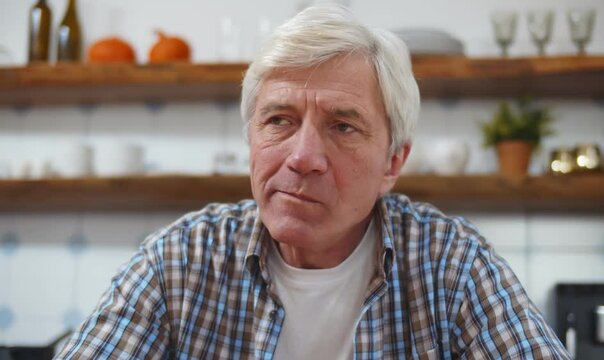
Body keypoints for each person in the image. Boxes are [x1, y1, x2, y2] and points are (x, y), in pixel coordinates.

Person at [56, 4, 570, 359]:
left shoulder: (451, 265)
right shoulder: (181, 260)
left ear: (393, 163)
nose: (303, 158)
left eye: (343, 126)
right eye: (278, 120)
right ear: (251, 139)